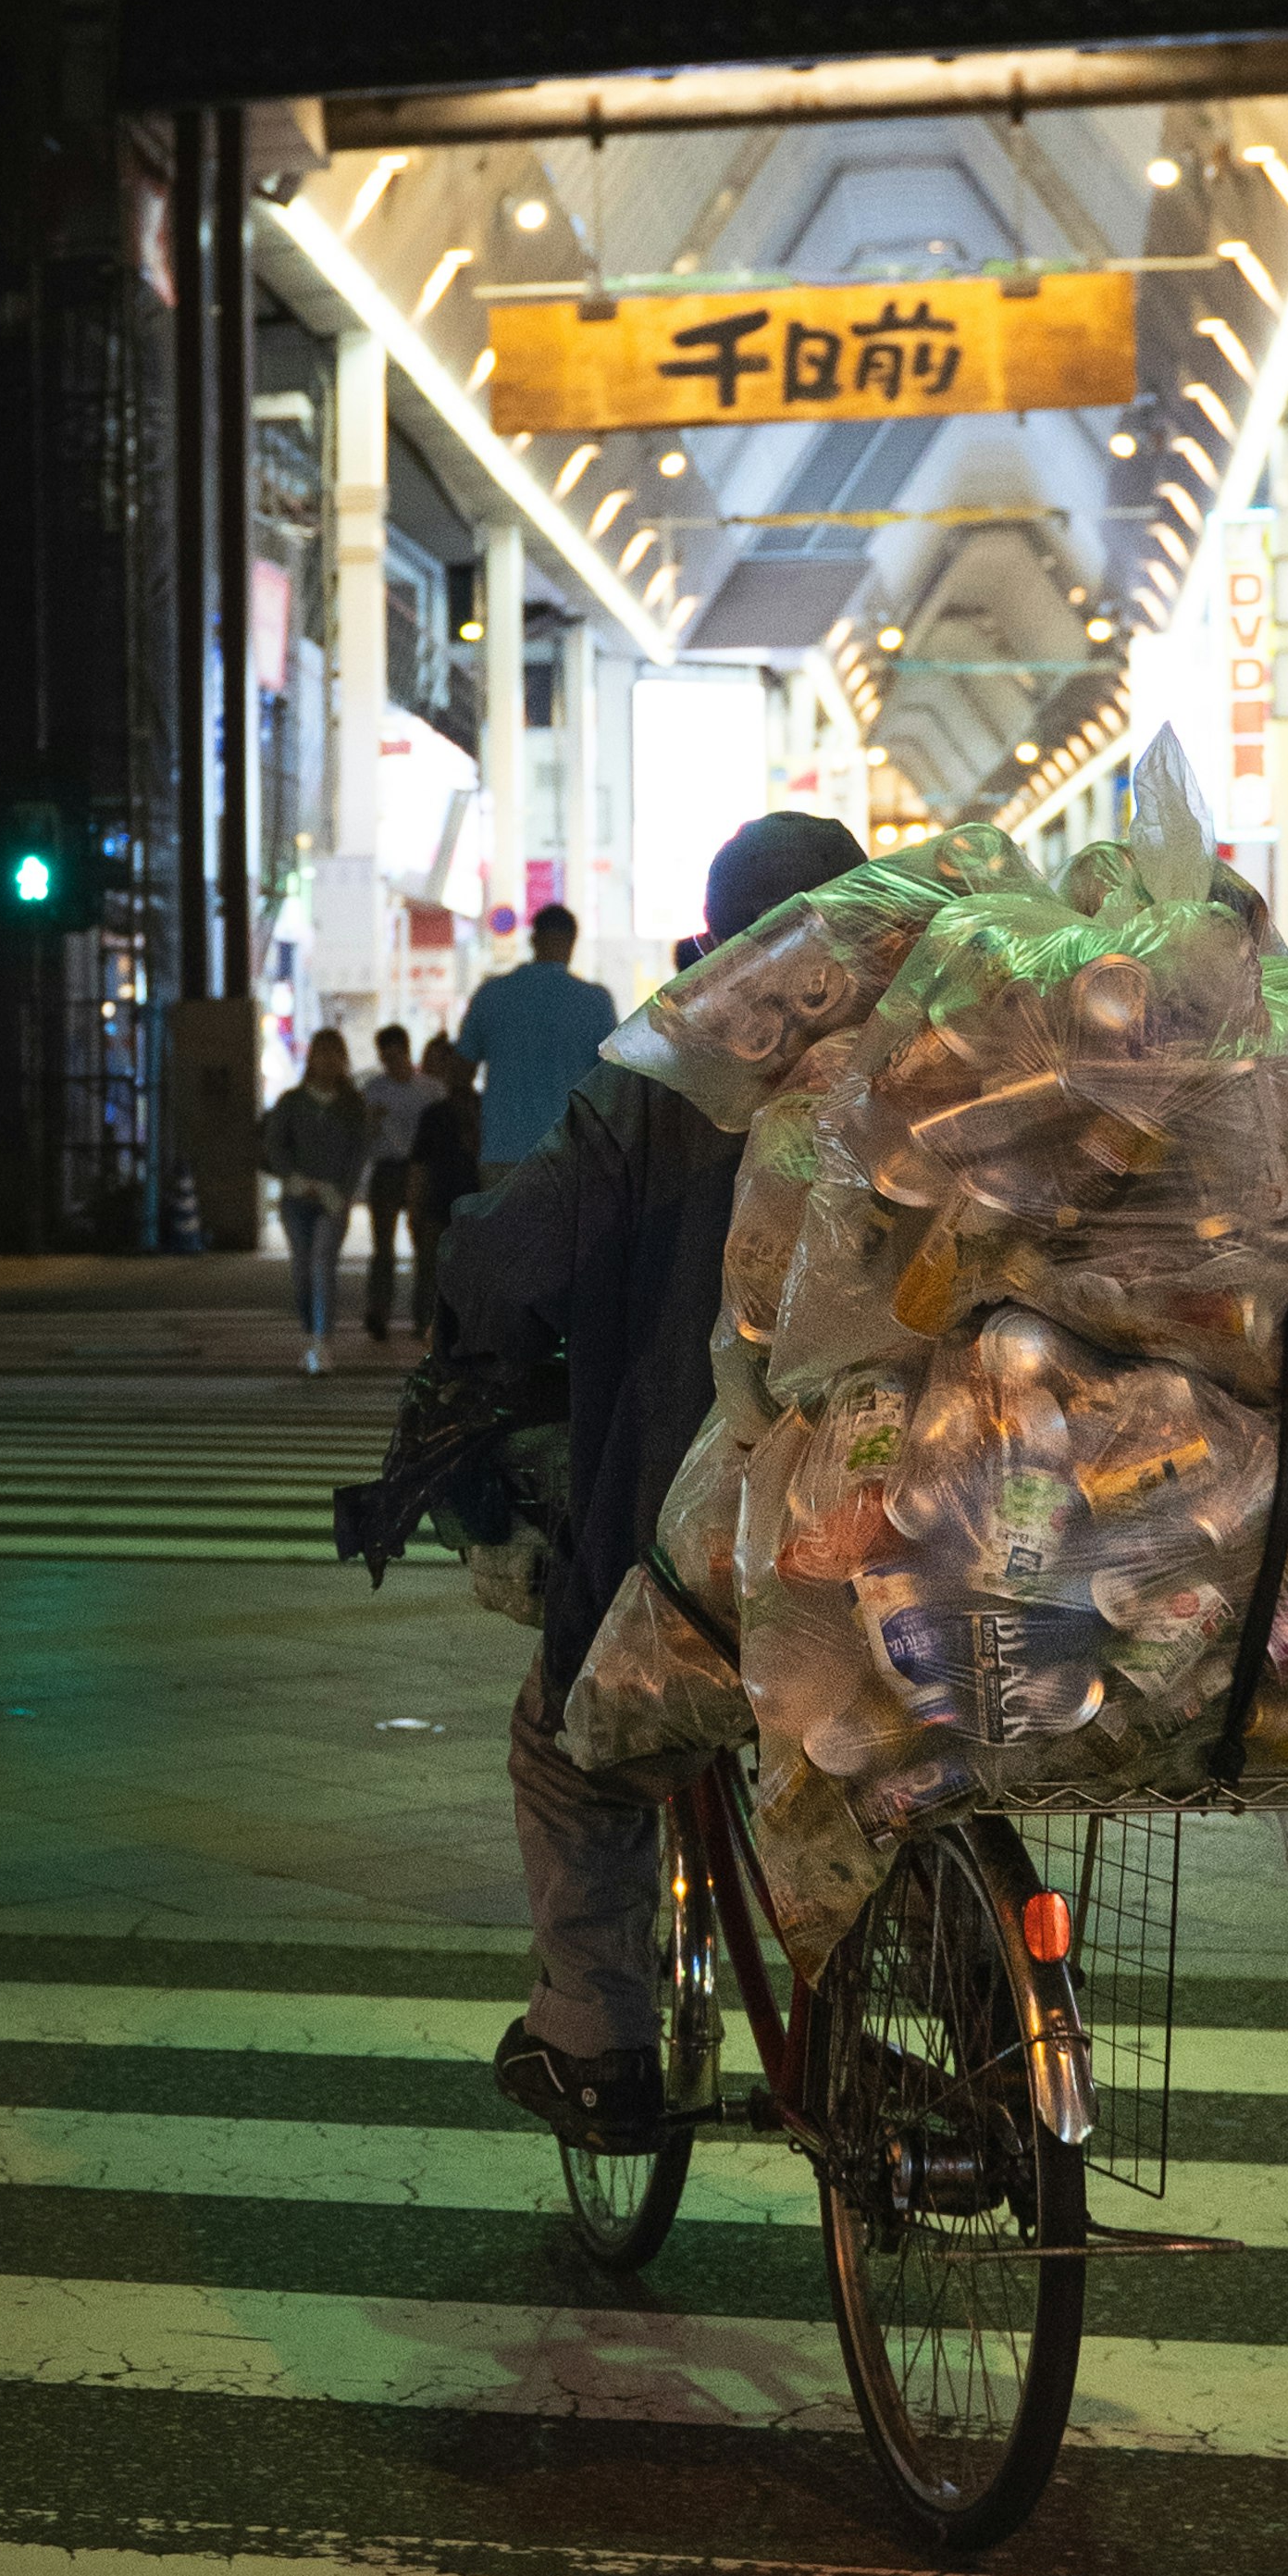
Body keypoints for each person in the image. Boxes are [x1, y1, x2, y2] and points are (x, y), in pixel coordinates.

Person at [442, 809, 865, 2148]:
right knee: (928, 1751)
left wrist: (473, 1454)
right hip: (953, 1546)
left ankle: (596, 2040)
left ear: (716, 940)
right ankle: (990, 2001)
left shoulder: (663, 1076)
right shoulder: (953, 1063)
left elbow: (504, 1266)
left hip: (721, 1559)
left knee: (572, 1742)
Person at [455, 902, 620, 1173]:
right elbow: (613, 1084)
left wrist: (475, 1125)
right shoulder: (595, 1001)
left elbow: (460, 1074)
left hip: (502, 1151)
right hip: (570, 1154)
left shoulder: (491, 994)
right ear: (572, 942)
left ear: (533, 939)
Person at [262, 1027, 370, 1375]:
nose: (327, 1061)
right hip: (296, 1199)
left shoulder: (353, 1106)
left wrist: (344, 1190)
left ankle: (321, 1342)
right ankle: (310, 1333)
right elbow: (274, 1145)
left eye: (334, 1054)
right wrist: (291, 1178)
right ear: (311, 1058)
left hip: (333, 1199)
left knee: (323, 1263)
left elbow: (359, 1152)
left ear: (343, 1061)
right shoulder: (292, 1102)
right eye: (321, 1053)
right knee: (301, 1270)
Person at [353, 1019, 436, 1340]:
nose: (391, 1063)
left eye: (396, 1056)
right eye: (386, 1058)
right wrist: (369, 1124)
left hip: (420, 1168)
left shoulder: (429, 1088)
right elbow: (364, 1135)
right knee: (383, 1248)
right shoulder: (374, 1089)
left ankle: (424, 1315)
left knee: (425, 1247)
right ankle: (380, 1311)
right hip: (387, 1168)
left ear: (406, 1052)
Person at [410, 1033, 484, 1289]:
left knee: (433, 1274)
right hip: (451, 1201)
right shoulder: (439, 1112)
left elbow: (420, 1165)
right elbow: (420, 1164)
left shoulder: (440, 1112)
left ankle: (428, 1325)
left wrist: (415, 1205)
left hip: (445, 1202)